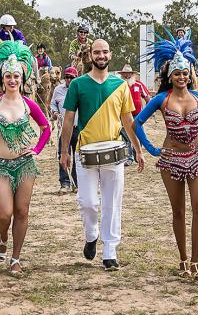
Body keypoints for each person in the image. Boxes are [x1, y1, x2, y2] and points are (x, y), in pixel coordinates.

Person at [135, 34, 198, 279]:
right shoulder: (162, 99)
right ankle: (182, 259)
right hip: (170, 159)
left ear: (190, 74)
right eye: (177, 73)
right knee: (178, 211)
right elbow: (137, 122)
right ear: (169, 76)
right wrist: (151, 149)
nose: (182, 77)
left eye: (185, 72)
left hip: (197, 157)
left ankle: (195, 260)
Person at [59, 39, 145, 271]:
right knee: (88, 202)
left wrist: (137, 149)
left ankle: (110, 250)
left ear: (110, 54)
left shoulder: (120, 85)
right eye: (97, 52)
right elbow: (68, 119)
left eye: (105, 52)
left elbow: (128, 120)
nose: (101, 55)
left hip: (114, 151)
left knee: (112, 202)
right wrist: (64, 150)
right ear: (90, 55)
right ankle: (91, 234)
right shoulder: (78, 84)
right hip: (84, 152)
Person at [0, 41, 51, 275]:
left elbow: (46, 128)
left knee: (22, 211)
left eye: (16, 76)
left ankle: (15, 258)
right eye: (8, 76)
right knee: (4, 213)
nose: (12, 80)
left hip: (25, 165)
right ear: (2, 78)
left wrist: (36, 150)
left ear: (22, 77)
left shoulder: (29, 104)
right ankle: (3, 235)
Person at [50, 67, 79, 194]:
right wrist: (55, 113)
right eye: (66, 77)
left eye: (71, 77)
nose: (68, 79)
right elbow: (52, 104)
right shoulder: (58, 90)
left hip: (78, 128)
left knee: (78, 156)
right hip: (64, 128)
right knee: (63, 155)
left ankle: (76, 182)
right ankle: (65, 183)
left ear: (76, 77)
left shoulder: (81, 89)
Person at [117, 64, 151, 165]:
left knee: (139, 134)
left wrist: (149, 111)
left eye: (129, 73)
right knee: (127, 136)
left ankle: (138, 153)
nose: (127, 75)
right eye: (125, 74)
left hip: (137, 115)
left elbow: (147, 97)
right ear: (122, 75)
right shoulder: (119, 85)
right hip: (124, 115)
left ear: (132, 74)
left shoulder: (139, 85)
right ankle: (129, 157)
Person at [0, 14, 27, 84]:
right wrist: (2, 50)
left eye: (12, 25)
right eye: (9, 26)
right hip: (2, 55)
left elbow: (24, 44)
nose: (11, 27)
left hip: (17, 55)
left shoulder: (18, 33)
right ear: (3, 26)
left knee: (34, 60)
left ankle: (35, 79)